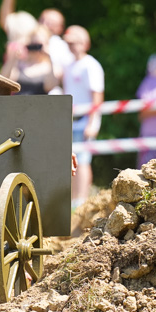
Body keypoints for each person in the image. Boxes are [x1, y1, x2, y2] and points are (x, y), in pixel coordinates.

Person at [62, 25, 103, 208]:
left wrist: (94, 122)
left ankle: (81, 200)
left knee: (83, 160)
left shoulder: (90, 65)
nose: (71, 46)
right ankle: (73, 200)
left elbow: (97, 96)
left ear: (85, 44)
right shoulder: (69, 65)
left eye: (74, 43)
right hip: (71, 120)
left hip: (85, 119)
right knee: (71, 159)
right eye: (69, 43)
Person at [0, 0, 73, 71]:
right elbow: (6, 21)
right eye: (42, 20)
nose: (45, 24)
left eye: (51, 23)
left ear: (60, 28)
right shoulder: (29, 33)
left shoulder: (61, 47)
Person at [0, 25, 59, 95]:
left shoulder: (50, 67)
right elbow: (3, 81)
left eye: (38, 45)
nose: (35, 48)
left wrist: (48, 56)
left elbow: (50, 86)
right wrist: (13, 58)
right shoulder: (20, 64)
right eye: (33, 44)